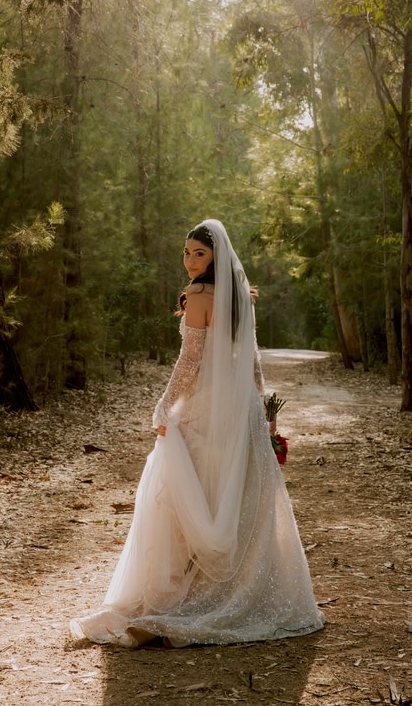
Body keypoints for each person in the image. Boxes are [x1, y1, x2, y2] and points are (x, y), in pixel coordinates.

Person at [69, 219, 325, 647]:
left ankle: (198, 593)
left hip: (207, 407)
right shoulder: (240, 296)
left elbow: (190, 362)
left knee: (194, 493)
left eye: (199, 254)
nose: (190, 261)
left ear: (216, 257)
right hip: (239, 407)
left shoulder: (199, 296)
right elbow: (252, 358)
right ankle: (238, 588)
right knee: (237, 493)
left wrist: (165, 402)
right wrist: (262, 404)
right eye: (186, 253)